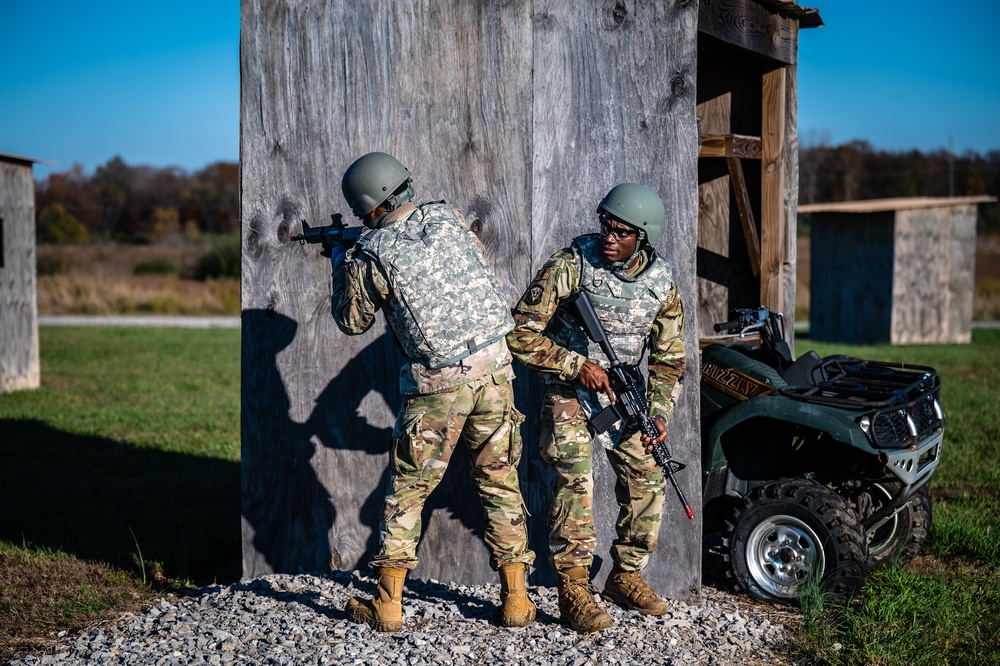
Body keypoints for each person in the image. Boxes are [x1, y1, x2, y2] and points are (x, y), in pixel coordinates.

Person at [329, 152, 535, 632]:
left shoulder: (370, 254)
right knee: (501, 481)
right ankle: (517, 600)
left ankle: (389, 605)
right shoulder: (448, 218)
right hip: (496, 370)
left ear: (367, 204)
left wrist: (343, 264)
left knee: (408, 492)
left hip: (438, 384)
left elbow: (352, 321)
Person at [505, 183, 686, 634]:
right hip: (569, 392)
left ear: (642, 238)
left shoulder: (661, 283)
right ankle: (574, 590)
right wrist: (574, 363)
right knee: (575, 481)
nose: (609, 237)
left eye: (621, 232)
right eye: (606, 225)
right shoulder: (572, 265)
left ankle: (626, 576)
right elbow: (519, 333)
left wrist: (659, 411)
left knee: (649, 473)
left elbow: (669, 358)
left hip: (622, 396)